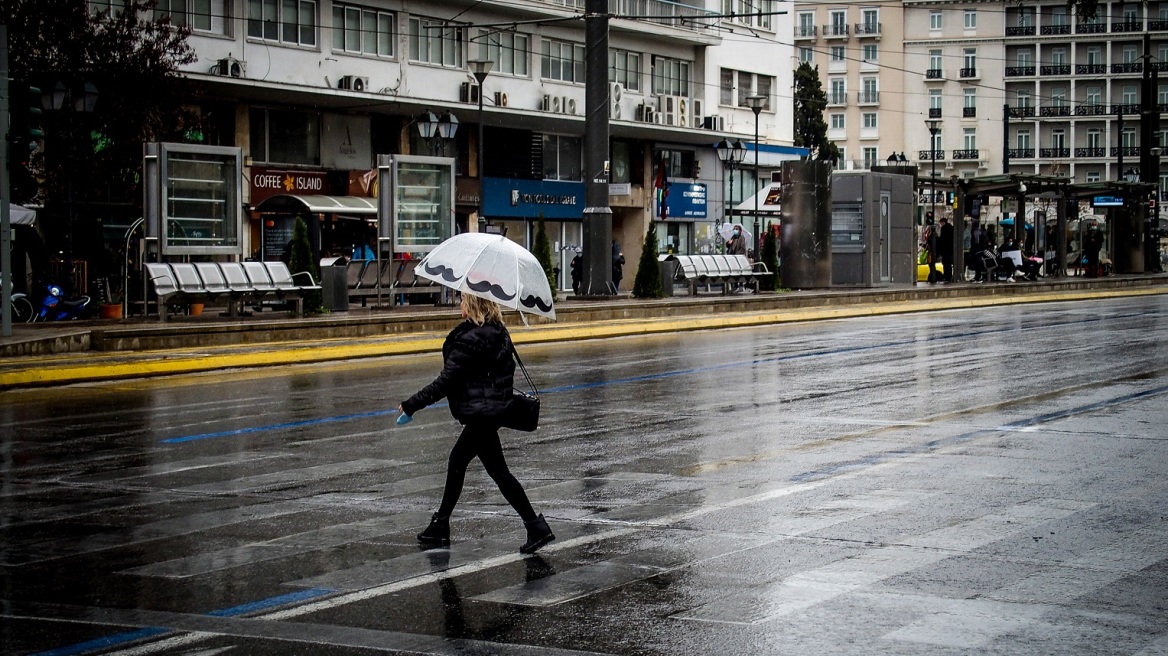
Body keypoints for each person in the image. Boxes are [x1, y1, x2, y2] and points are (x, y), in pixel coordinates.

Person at [398, 294, 554, 555]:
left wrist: (412, 404)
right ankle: (441, 525)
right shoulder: (497, 332)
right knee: (467, 464)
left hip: (481, 414)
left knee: (486, 469)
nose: (458, 304)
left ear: (472, 305)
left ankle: (535, 526)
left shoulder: (471, 340)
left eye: (462, 300)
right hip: (490, 412)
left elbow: (445, 382)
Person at [920, 213, 939, 283]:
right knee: (931, 265)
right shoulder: (931, 234)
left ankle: (933, 278)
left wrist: (925, 245)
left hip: (931, 252)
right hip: (930, 251)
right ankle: (932, 277)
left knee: (931, 265)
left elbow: (930, 242)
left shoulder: (932, 235)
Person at [938, 216, 954, 283]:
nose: (940, 225)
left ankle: (946, 276)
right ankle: (949, 276)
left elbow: (942, 240)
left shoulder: (944, 229)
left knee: (946, 264)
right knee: (949, 264)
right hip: (951, 249)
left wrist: (940, 251)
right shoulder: (952, 228)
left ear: (943, 222)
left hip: (945, 250)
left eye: (940, 223)